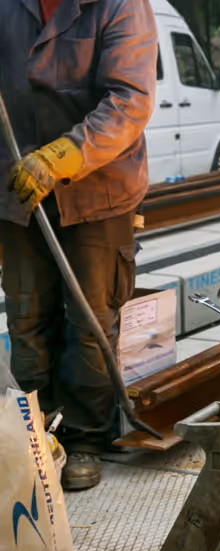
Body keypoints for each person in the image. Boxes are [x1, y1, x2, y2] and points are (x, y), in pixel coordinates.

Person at [0, 0, 158, 489]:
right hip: (16, 185)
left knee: (88, 321)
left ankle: (87, 439)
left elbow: (129, 100)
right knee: (27, 318)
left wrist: (60, 156)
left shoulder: (120, 6)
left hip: (97, 191)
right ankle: (39, 437)